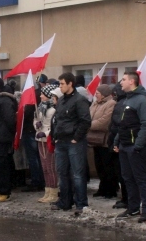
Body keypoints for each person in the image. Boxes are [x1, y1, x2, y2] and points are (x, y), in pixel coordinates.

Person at [114, 72, 146, 223]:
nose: (120, 82)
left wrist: (138, 145)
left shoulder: (141, 101)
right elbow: (123, 125)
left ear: (132, 81)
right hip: (124, 146)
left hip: (135, 147)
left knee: (141, 179)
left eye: (123, 80)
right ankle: (133, 208)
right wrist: (117, 142)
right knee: (128, 178)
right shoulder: (126, 100)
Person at [51, 72, 92, 216]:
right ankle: (65, 201)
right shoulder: (61, 100)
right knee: (62, 173)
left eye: (62, 84)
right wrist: (55, 136)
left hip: (74, 142)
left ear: (70, 84)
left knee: (77, 174)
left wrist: (76, 137)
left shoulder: (80, 100)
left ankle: (81, 203)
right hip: (61, 141)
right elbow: (58, 120)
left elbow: (86, 121)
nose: (60, 86)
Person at [87, 84, 118, 198]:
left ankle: (111, 189)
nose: (96, 95)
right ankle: (102, 188)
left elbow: (105, 121)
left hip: (105, 140)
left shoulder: (111, 104)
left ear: (104, 94)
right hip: (95, 139)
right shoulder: (95, 103)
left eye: (98, 93)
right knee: (99, 165)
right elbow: (88, 115)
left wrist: (88, 125)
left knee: (107, 166)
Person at [34, 84, 58, 203]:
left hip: (48, 140)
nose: (40, 96)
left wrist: (46, 133)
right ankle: (47, 191)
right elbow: (36, 120)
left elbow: (54, 125)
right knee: (44, 167)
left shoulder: (53, 109)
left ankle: (53, 192)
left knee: (51, 167)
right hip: (40, 139)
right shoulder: (40, 107)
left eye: (42, 94)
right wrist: (36, 126)